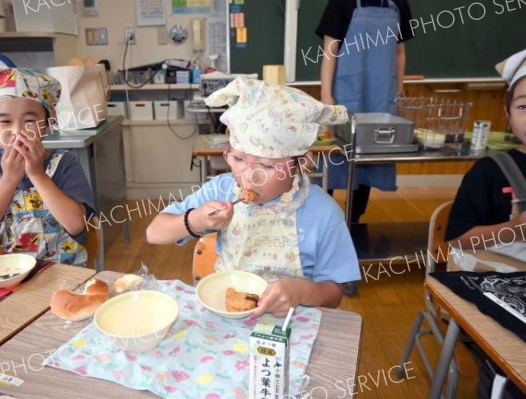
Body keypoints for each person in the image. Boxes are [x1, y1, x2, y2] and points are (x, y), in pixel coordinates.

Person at [146, 78, 361, 318]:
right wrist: (196, 220)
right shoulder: (222, 190)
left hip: (292, 323)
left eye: (265, 166)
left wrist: (301, 291)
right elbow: (154, 233)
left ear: (302, 163)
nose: (248, 177)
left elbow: (334, 294)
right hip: (226, 315)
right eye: (237, 159)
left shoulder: (323, 213)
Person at [0, 68, 95, 266]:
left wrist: (37, 174)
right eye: (5, 121)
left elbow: (77, 225)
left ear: (48, 121)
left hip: (61, 271)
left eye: (29, 121)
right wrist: (9, 180)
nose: (18, 131)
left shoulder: (65, 163)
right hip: (2, 274)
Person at [315, 0, 415, 223]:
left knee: (369, 157)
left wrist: (398, 89)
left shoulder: (398, 4)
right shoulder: (342, 3)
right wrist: (326, 95)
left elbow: (399, 51)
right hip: (345, 94)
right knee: (335, 158)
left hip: (381, 96)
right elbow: (329, 51)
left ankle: (355, 219)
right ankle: (322, 221)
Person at [446, 49, 526, 248]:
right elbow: (457, 240)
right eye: (523, 107)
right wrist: (515, 229)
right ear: (508, 115)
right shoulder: (489, 171)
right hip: (504, 274)